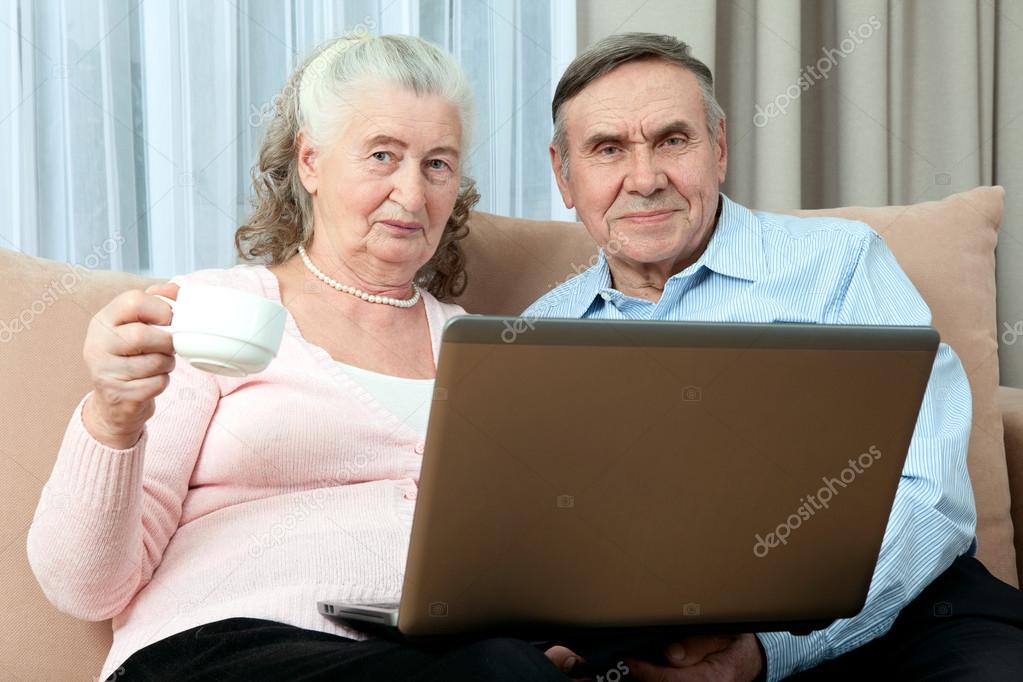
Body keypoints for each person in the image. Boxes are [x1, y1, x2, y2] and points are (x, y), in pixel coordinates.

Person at [27, 33, 569, 682]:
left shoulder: (486, 350)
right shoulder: (213, 311)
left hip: (436, 655)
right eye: (382, 155)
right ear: (310, 162)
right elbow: (85, 587)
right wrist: (113, 417)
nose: (411, 192)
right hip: (223, 649)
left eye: (437, 164)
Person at [530, 32, 1023, 682]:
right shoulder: (538, 333)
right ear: (564, 175)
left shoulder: (841, 263)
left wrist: (768, 650)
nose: (645, 179)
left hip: (902, 614)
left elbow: (928, 490)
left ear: (719, 148)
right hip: (648, 636)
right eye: (607, 149)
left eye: (673, 140)